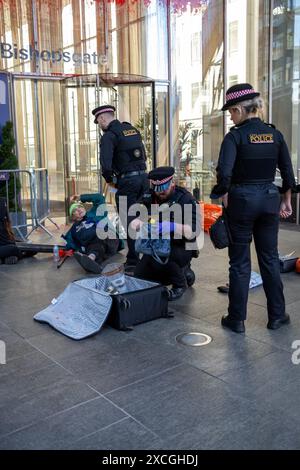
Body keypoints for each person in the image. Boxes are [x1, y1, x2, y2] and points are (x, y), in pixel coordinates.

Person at [211, 83, 296, 333]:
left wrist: (224, 196)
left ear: (239, 109)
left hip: (242, 200)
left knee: (239, 263)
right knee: (269, 258)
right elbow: (288, 172)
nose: (230, 116)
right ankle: (277, 316)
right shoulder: (274, 134)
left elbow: (224, 173)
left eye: (231, 111)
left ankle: (236, 319)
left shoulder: (235, 136)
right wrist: (287, 199)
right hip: (269, 199)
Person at [92, 104, 149, 272]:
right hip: (144, 180)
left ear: (102, 118)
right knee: (142, 220)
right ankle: (147, 255)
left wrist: (111, 181)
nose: (100, 126)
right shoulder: (131, 129)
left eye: (99, 122)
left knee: (130, 221)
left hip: (127, 184)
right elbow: (143, 155)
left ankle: (133, 261)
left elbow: (106, 165)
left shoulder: (109, 136)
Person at [132, 166, 199, 301]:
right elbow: (138, 215)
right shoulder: (149, 196)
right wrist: (137, 222)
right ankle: (181, 273)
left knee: (168, 257)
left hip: (180, 244)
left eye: (164, 188)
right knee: (139, 275)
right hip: (155, 242)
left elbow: (193, 230)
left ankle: (180, 284)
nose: (161, 193)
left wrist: (173, 226)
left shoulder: (184, 198)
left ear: (172, 183)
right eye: (157, 190)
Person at [62, 193, 119, 274]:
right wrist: (70, 250)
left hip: (108, 239)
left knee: (100, 233)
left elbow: (99, 198)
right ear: (73, 217)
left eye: (80, 207)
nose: (78, 210)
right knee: (93, 247)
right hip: (93, 247)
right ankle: (92, 260)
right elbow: (69, 243)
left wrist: (80, 197)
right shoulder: (74, 229)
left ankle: (91, 257)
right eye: (74, 211)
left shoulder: (95, 212)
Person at [0, 198, 20, 264]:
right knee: (14, 249)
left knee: (33, 250)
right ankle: (5, 258)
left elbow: (8, 240)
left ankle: (3, 258)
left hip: (4, 247)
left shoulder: (5, 223)